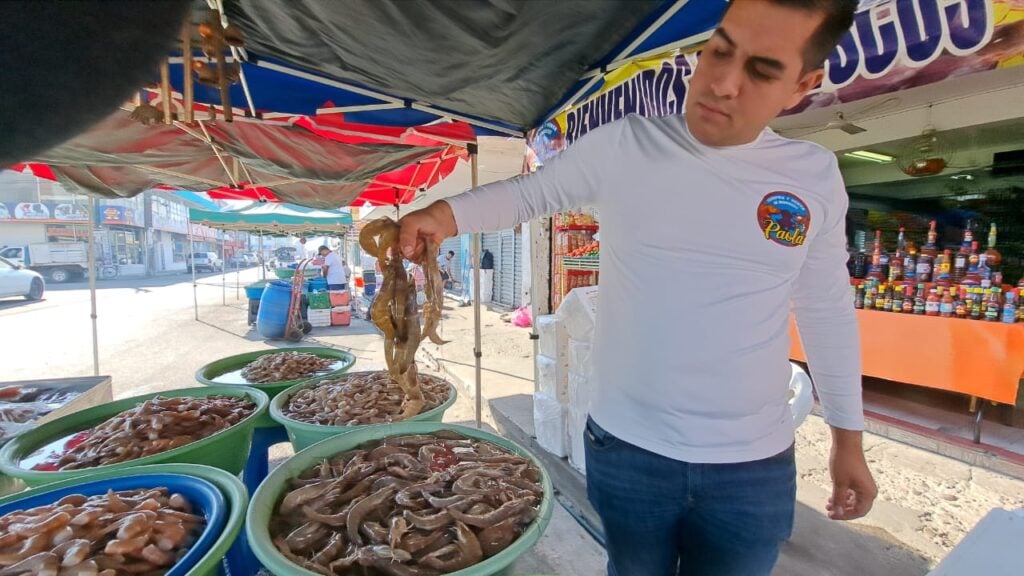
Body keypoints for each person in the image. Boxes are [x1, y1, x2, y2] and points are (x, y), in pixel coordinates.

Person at [397, 1, 875, 574]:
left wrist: (848, 438)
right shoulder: (626, 144)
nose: (722, 83)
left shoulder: (813, 175)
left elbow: (826, 309)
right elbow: (532, 194)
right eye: (720, 50)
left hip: (753, 465)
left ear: (803, 85)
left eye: (762, 70)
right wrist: (445, 214)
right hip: (627, 449)